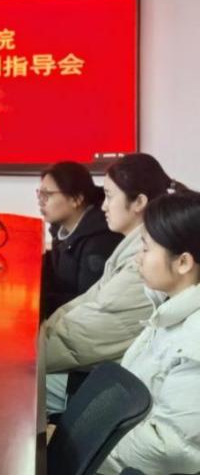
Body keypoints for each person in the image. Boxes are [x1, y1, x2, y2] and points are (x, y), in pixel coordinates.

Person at [42, 153, 185, 414]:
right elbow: (89, 302)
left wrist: (27, 355)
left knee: (18, 387)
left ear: (139, 202)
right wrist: (42, 334)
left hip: (106, 380)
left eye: (109, 196)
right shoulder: (130, 246)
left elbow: (90, 332)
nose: (103, 206)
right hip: (102, 369)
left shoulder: (147, 265)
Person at [98, 191, 200, 474]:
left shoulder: (195, 337)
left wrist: (89, 444)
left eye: (145, 249)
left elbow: (168, 447)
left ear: (183, 262)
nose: (137, 259)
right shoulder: (169, 306)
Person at [38, 161, 123, 317]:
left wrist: (39, 300)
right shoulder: (60, 228)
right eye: (39, 194)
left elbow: (87, 302)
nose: (40, 201)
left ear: (76, 199)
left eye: (47, 195)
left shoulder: (99, 242)